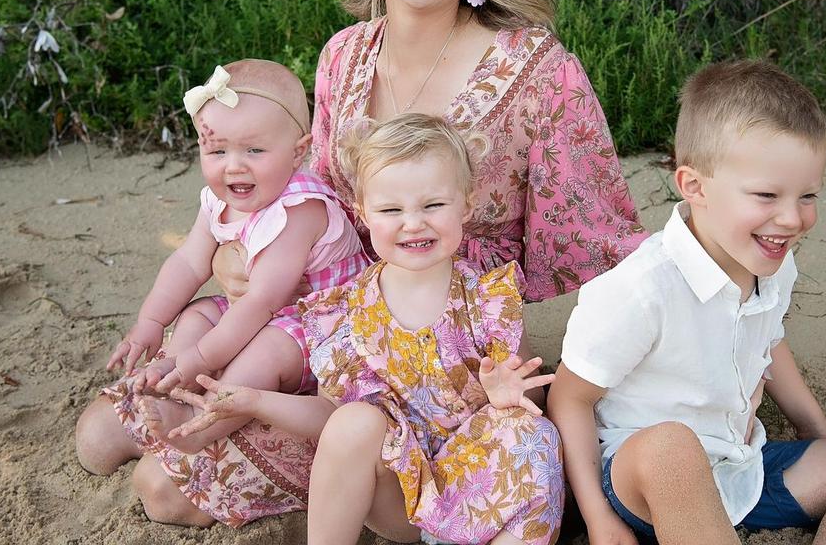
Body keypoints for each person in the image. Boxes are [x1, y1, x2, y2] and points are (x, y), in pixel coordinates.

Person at [121, 0, 646, 527]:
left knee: (166, 484)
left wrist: (722, 305)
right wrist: (232, 257)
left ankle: (417, 494)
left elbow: (604, 237)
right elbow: (314, 208)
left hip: (452, 354)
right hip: (338, 327)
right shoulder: (343, 57)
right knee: (124, 450)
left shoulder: (538, 71)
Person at [548, 60, 826, 544]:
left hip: (742, 468)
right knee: (672, 445)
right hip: (646, 482)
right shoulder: (642, 289)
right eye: (767, 195)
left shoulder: (771, 260)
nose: (791, 219)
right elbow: (570, 397)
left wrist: (820, 431)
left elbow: (768, 340)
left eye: (808, 195)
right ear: (695, 187)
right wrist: (598, 518)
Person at [173, 113, 564, 545]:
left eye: (433, 205)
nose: (413, 223)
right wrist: (253, 400)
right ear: (364, 214)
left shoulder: (489, 297)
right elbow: (329, 418)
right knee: (354, 420)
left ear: (466, 205)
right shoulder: (344, 312)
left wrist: (510, 396)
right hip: (398, 498)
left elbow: (532, 394)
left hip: (480, 485)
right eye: (391, 210)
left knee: (532, 432)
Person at [73, 60, 369, 518]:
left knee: (267, 350)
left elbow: (264, 300)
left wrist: (203, 355)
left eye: (254, 150)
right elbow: (190, 260)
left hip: (324, 325)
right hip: (258, 313)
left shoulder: (300, 208)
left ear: (299, 151)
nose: (234, 167)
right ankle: (181, 383)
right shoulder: (219, 199)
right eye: (217, 152)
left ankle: (203, 418)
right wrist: (151, 323)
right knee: (195, 313)